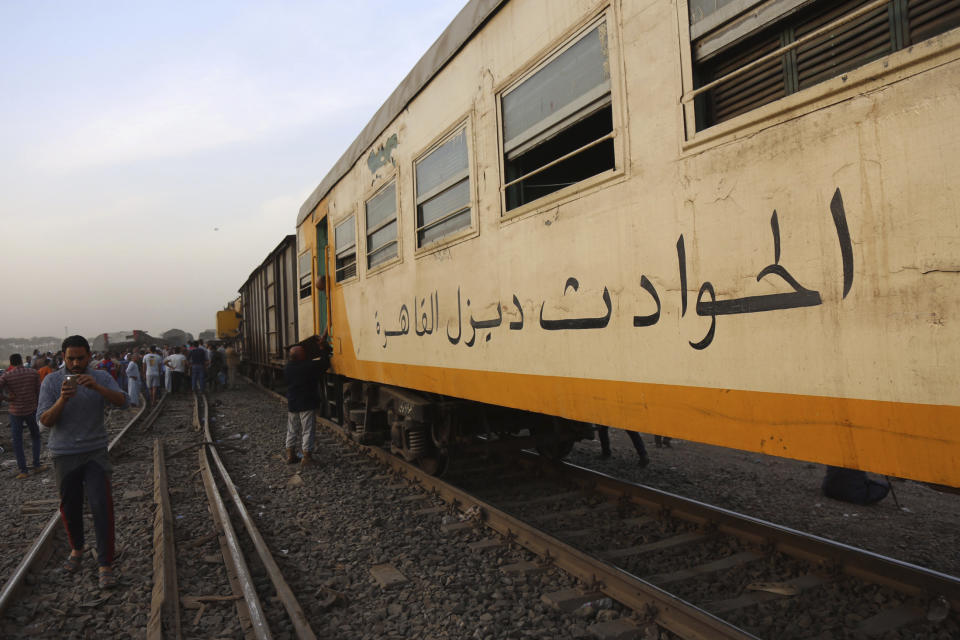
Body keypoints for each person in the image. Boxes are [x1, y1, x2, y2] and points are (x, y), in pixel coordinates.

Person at [37, 335, 127, 589]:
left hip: (95, 452)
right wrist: (63, 399)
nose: (75, 363)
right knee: (70, 506)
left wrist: (98, 388)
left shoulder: (100, 377)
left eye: (80, 358)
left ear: (89, 357)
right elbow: (44, 422)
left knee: (101, 505)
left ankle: (105, 564)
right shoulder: (52, 381)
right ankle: (77, 548)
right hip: (64, 453)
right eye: (70, 358)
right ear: (62, 358)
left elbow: (123, 402)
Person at [0, 354, 44, 479]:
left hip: (15, 412)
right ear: (22, 361)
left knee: (17, 441)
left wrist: (6, 398)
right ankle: (36, 465)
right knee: (35, 436)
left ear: (11, 363)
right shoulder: (33, 373)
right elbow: (39, 391)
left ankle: (23, 470)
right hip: (31, 410)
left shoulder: (7, 375)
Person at [283, 345, 328, 467]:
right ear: (300, 356)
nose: (306, 353)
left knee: (292, 429)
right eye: (303, 352)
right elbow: (324, 364)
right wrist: (323, 348)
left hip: (293, 403)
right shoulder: (308, 366)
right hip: (306, 403)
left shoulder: (287, 368)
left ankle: (290, 455)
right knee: (307, 430)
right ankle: (307, 457)